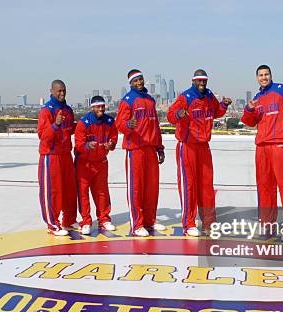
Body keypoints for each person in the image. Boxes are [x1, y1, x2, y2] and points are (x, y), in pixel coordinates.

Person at [240, 65, 283, 241]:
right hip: (262, 147)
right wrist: (249, 109)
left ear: (271, 75)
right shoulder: (257, 98)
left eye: (266, 74)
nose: (264, 78)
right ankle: (267, 225)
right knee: (264, 188)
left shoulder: (282, 90)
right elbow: (249, 122)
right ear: (257, 78)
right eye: (260, 75)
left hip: (279, 145)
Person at [167, 69, 232, 236]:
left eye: (204, 81)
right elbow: (170, 115)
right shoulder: (185, 97)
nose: (202, 84)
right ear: (193, 81)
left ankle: (209, 222)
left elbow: (216, 112)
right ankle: (189, 224)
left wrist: (224, 105)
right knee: (189, 185)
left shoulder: (209, 96)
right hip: (187, 145)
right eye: (199, 81)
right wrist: (178, 114)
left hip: (203, 146)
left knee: (206, 185)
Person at [115, 69, 165, 237]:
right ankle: (137, 224)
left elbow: (155, 125)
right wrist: (128, 124)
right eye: (136, 81)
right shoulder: (127, 101)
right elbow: (119, 124)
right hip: (135, 149)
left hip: (150, 148)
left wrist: (159, 147)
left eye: (141, 79)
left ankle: (150, 220)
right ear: (130, 83)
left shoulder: (150, 100)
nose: (139, 83)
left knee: (151, 188)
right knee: (136, 188)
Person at [37, 79, 78, 236]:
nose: (62, 93)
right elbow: (42, 135)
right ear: (52, 91)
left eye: (64, 90)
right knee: (53, 191)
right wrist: (55, 125)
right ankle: (53, 224)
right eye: (59, 91)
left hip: (66, 153)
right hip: (51, 155)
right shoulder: (47, 111)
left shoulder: (67, 110)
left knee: (69, 189)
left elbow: (70, 130)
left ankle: (68, 220)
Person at [74, 96, 118, 235]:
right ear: (92, 107)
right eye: (98, 107)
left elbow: (114, 139)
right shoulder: (83, 123)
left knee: (102, 192)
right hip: (84, 164)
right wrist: (87, 145)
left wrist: (111, 145)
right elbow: (79, 144)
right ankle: (86, 221)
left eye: (102, 106)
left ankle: (104, 219)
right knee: (83, 193)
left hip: (101, 162)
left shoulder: (110, 121)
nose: (101, 109)